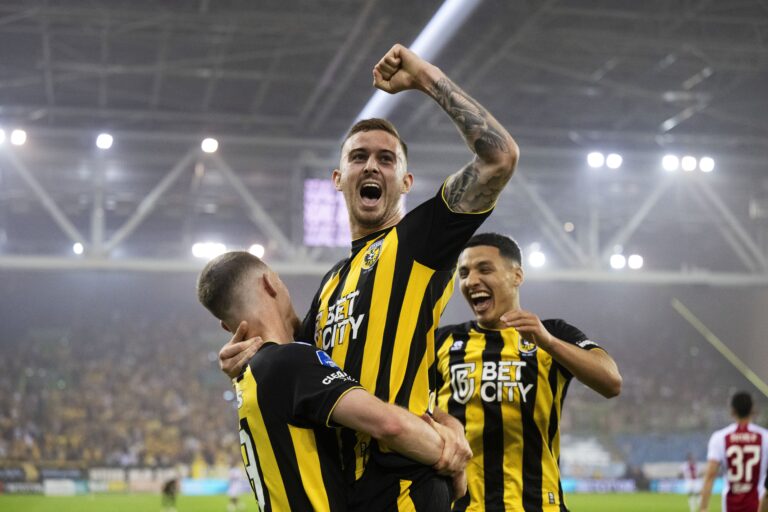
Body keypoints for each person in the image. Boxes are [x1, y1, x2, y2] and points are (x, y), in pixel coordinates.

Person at [218, 43, 519, 509]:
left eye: (386, 158)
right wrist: (251, 350)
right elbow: (300, 365)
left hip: (409, 490)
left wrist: (426, 78)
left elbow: (500, 158)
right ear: (338, 178)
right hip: (347, 493)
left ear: (405, 181)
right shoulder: (331, 284)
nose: (372, 165)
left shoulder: (418, 242)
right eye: (359, 157)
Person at [198, 251, 452, 511]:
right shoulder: (291, 361)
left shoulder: (246, 377)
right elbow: (390, 425)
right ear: (270, 283)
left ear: (226, 327)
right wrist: (450, 458)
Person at [434, 233, 622, 511]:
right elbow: (412, 406)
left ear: (516, 275)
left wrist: (549, 342)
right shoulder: (442, 341)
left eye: (484, 269)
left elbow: (611, 382)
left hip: (538, 505)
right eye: (464, 273)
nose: (471, 280)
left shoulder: (553, 333)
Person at [700, 391, 768, 512]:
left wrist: (704, 507)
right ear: (753, 410)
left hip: (730, 506)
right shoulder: (765, 437)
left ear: (732, 411)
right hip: (757, 504)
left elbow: (710, 475)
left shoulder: (720, 437)